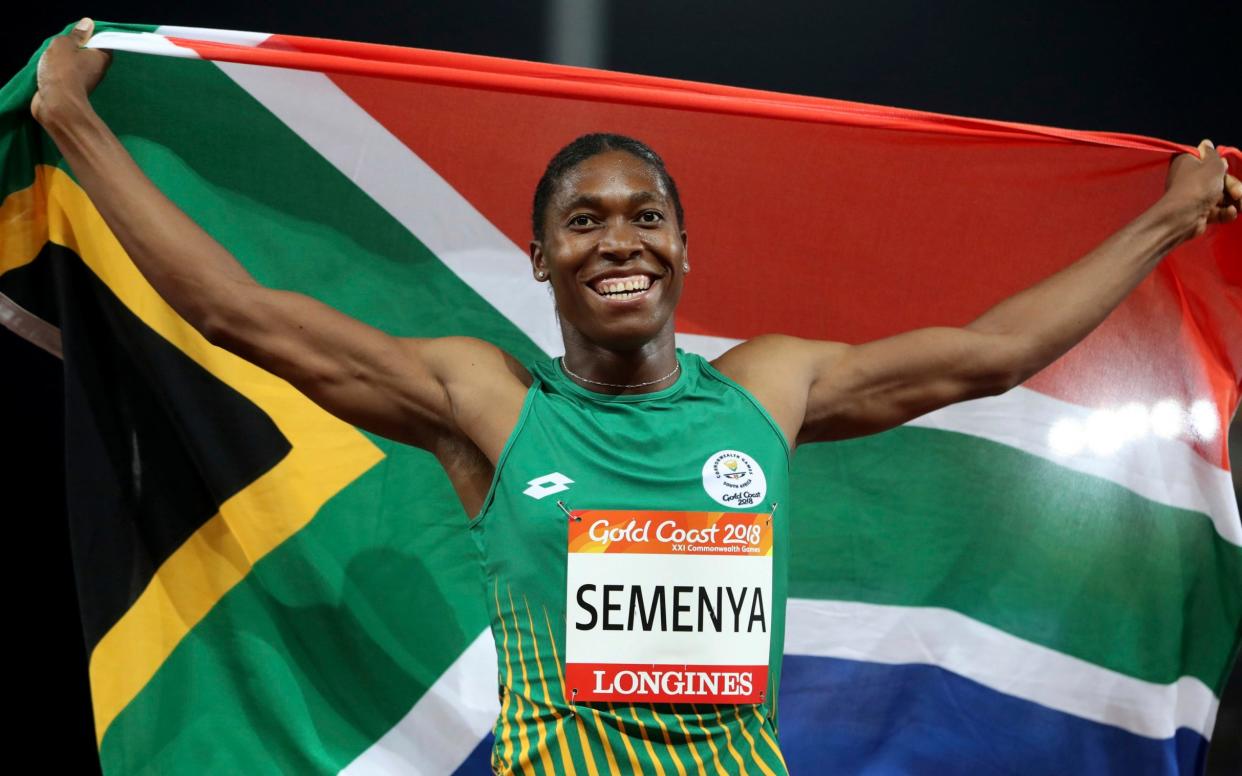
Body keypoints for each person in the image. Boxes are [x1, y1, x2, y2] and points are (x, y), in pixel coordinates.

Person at [31, 17, 1241, 776]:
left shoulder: (769, 385)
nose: (622, 239)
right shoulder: (487, 397)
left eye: (647, 216)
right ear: (544, 257)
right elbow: (242, 311)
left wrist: (1168, 218)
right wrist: (75, 122)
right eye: (585, 220)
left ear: (683, 251)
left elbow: (988, 352)